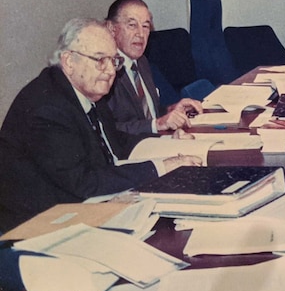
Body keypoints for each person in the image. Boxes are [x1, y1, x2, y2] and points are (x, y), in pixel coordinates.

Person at [0, 18, 201, 231]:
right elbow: (83, 182)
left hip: (77, 204)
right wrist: (161, 166)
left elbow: (114, 141)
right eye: (99, 60)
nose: (110, 71)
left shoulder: (85, 90)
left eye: (113, 61)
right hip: (36, 226)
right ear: (69, 61)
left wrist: (169, 144)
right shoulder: (47, 107)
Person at [104, 0, 203, 134]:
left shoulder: (142, 62)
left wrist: (171, 110)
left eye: (145, 26)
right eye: (132, 25)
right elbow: (108, 130)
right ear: (111, 28)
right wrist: (157, 124)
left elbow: (147, 114)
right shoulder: (105, 70)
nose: (140, 34)